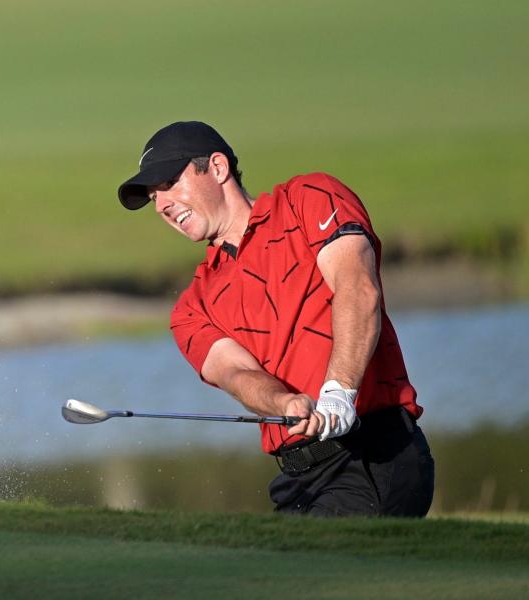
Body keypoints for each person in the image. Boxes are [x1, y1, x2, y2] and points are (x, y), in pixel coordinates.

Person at [117, 121, 435, 517]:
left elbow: (357, 288)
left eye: (168, 183)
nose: (161, 205)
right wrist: (282, 401)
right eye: (153, 198)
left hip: (374, 453)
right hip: (296, 477)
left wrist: (340, 392)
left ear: (217, 168)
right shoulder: (191, 308)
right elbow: (235, 374)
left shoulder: (309, 200)